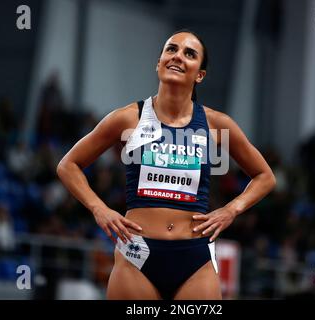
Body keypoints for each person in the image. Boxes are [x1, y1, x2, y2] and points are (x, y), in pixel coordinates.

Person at [57, 29, 276, 300]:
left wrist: (231, 210)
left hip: (195, 259)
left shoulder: (216, 124)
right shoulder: (127, 118)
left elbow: (265, 176)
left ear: (200, 75)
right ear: (158, 62)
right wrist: (99, 209)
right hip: (137, 255)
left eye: (189, 53)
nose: (178, 57)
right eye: (171, 49)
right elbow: (68, 165)